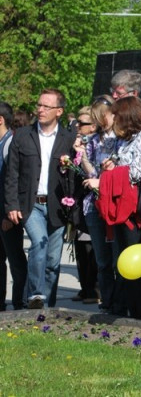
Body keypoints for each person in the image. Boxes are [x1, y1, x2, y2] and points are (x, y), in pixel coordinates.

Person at [89, 96, 141, 320]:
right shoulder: (126, 139)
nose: (113, 120)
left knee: (137, 259)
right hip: (123, 206)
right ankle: (130, 308)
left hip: (138, 207)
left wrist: (106, 179)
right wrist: (110, 165)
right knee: (123, 260)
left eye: (117, 115)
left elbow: (137, 172)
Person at [4, 89, 76, 309]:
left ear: (59, 111)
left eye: (47, 106)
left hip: (57, 206)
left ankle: (48, 307)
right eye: (39, 105)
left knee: (53, 261)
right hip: (31, 204)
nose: (41, 110)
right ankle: (35, 294)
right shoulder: (22, 135)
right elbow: (11, 173)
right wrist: (11, 205)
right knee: (39, 242)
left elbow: (74, 176)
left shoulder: (68, 139)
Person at [75, 95, 122, 313]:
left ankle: (119, 302)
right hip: (94, 204)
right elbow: (91, 172)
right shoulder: (94, 140)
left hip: (115, 204)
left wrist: (103, 181)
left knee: (116, 258)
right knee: (102, 260)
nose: (100, 122)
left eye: (102, 116)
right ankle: (107, 301)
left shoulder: (122, 139)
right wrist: (82, 155)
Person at [0, 101, 28, 311]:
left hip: (7, 215)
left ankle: (20, 302)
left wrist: (9, 214)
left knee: (15, 259)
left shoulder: (11, 144)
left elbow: (15, 183)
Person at [70, 107, 99, 304]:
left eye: (82, 124)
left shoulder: (96, 144)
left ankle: (94, 289)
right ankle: (85, 287)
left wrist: (83, 155)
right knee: (79, 245)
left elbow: (94, 172)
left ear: (93, 126)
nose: (78, 127)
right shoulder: (76, 143)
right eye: (77, 123)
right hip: (77, 200)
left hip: (93, 199)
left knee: (91, 246)